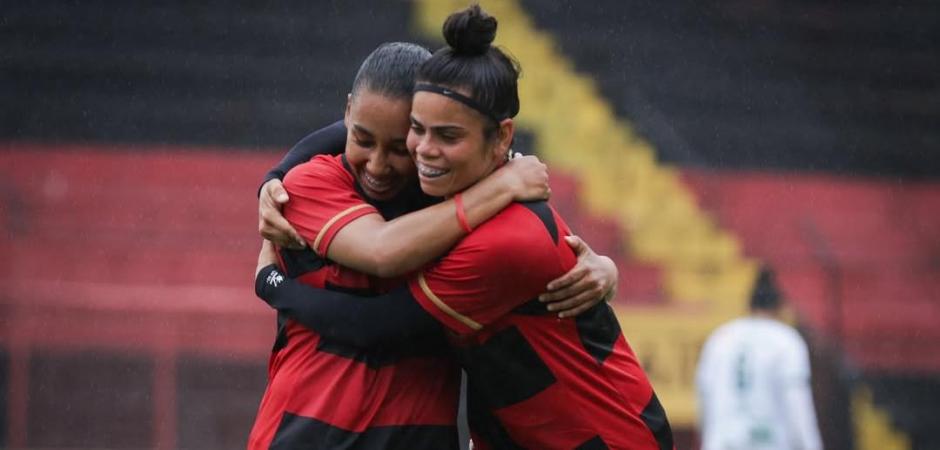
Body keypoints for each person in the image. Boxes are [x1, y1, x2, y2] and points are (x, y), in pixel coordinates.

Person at [255, 5, 673, 449]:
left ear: (503, 139)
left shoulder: (503, 237)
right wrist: (276, 175)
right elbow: (365, 127)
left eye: (448, 137)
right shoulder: (335, 180)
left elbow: (377, 325)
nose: (424, 152)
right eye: (418, 131)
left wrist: (272, 283)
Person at [695, 267, 823, 450]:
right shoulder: (786, 340)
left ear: (748, 306)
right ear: (780, 308)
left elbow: (704, 396)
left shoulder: (721, 338)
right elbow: (797, 403)